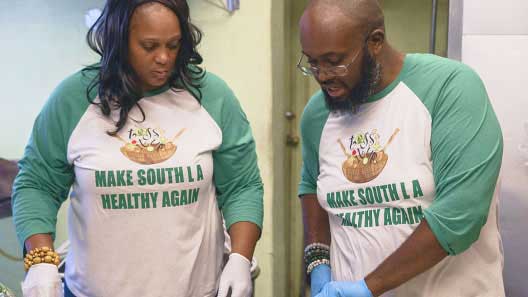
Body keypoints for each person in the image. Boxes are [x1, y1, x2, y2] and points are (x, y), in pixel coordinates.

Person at [12, 1, 263, 296]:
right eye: (149, 46)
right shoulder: (74, 100)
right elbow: (36, 185)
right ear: (119, 40)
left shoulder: (212, 96)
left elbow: (242, 186)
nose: (164, 58)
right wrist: (41, 259)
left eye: (173, 45)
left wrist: (239, 258)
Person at [297, 0, 504, 296]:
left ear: (375, 42)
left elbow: (462, 214)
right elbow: (311, 184)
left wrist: (369, 287)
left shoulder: (449, 89)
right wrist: (317, 259)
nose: (323, 75)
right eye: (312, 62)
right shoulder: (318, 115)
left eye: (334, 61)